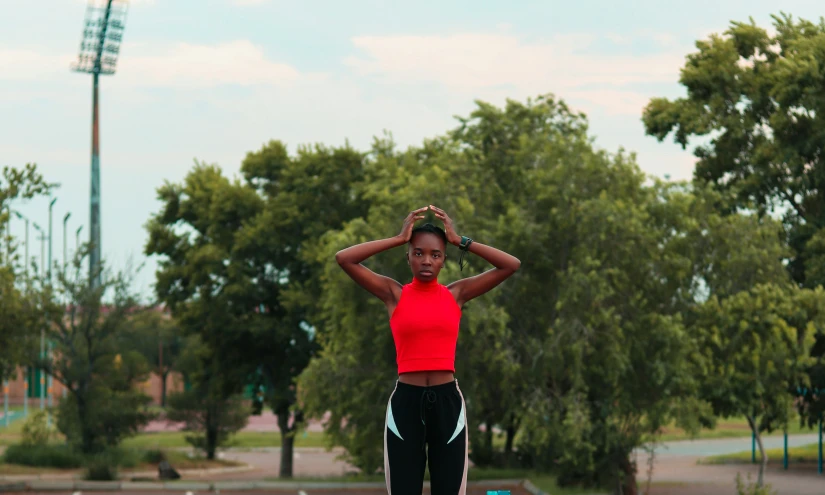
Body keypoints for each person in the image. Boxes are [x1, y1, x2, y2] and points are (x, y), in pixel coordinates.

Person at [335, 205, 520, 495]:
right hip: (405, 404)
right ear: (408, 256)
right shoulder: (393, 294)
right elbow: (344, 259)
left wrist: (461, 241)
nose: (426, 260)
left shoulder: (456, 294)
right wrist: (399, 238)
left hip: (448, 405)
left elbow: (511, 265)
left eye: (435, 255)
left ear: (444, 260)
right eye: (418, 252)